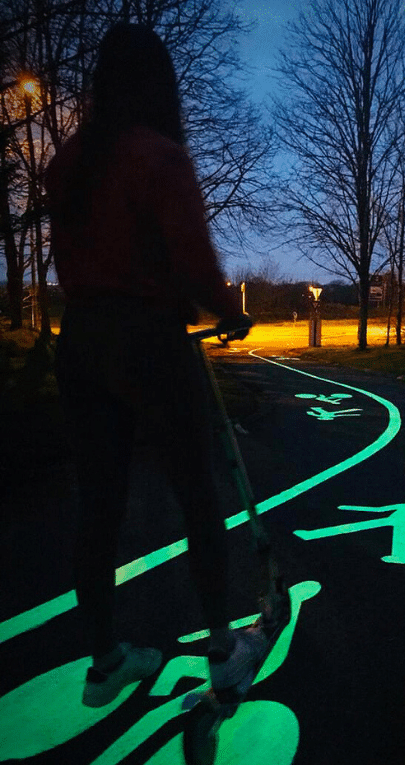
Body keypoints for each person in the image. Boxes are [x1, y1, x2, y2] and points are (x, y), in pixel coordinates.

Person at [45, 22, 267, 708]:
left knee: (100, 504)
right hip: (149, 339)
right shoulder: (159, 157)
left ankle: (107, 658)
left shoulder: (68, 161)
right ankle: (225, 649)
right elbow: (194, 260)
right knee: (196, 490)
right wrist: (227, 310)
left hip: (81, 338)